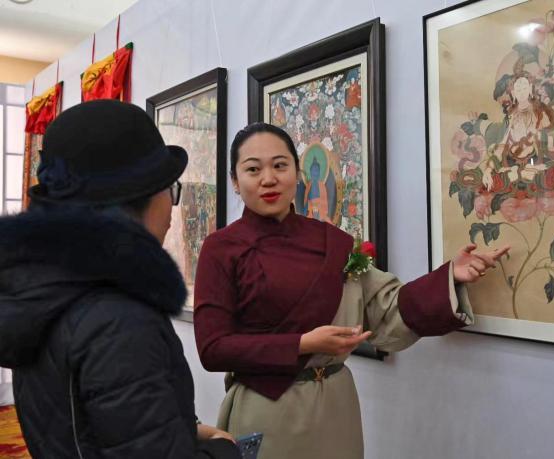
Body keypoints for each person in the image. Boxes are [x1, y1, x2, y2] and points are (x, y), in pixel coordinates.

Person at [193, 122, 510, 459]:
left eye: (280, 165)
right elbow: (213, 349)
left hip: (336, 404)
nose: (268, 179)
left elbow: (386, 307)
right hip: (267, 408)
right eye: (253, 169)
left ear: (298, 173)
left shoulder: (332, 242)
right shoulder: (221, 248)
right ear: (235, 181)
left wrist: (450, 276)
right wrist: (303, 344)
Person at [0, 100, 241, 459]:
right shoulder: (118, 320)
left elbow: (85, 423)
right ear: (137, 201)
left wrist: (176, 427)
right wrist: (224, 452)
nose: (171, 209)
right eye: (171, 189)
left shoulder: (44, 291)